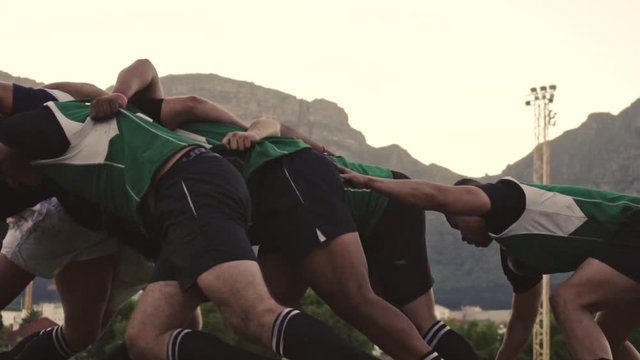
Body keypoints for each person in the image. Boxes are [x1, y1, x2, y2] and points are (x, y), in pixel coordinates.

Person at [90, 58, 478, 360]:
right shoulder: (155, 165)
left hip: (355, 198)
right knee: (263, 313)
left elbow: (252, 119)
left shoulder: (157, 126)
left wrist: (120, 94)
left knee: (354, 301)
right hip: (284, 207)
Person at [0, 96, 379, 360]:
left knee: (254, 316)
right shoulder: (62, 154)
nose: (18, 185)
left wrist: (120, 90)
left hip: (189, 186)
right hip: (184, 199)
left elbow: (162, 86)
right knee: (145, 338)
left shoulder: (41, 124)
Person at [340, 170, 640, 360]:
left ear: (470, 205)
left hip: (635, 227)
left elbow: (437, 197)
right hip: (627, 255)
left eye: (457, 223)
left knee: (567, 299)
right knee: (607, 337)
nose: (461, 236)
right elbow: (522, 322)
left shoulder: (505, 198)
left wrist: (369, 182)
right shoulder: (517, 258)